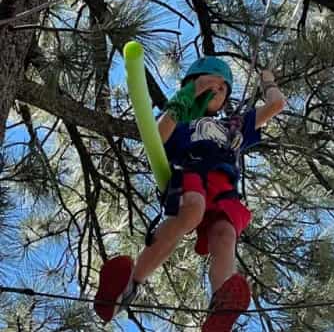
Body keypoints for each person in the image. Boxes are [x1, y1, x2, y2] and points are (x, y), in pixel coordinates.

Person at [94, 56, 285, 331]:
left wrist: (267, 80)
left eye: (220, 89)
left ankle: (221, 307)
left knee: (225, 233)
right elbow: (155, 138)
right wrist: (186, 98)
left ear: (226, 99)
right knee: (192, 210)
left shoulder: (234, 126)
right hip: (191, 173)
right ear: (189, 88)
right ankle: (125, 288)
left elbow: (276, 105)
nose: (213, 91)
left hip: (224, 189)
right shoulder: (181, 121)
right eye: (206, 85)